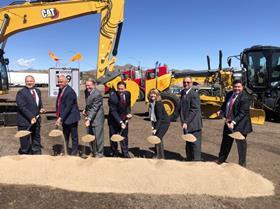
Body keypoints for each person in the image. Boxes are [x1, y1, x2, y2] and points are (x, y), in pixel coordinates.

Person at [216, 79, 253, 167]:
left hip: (240, 125)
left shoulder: (245, 97)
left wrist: (233, 122)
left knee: (241, 146)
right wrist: (221, 110)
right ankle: (221, 160)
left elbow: (242, 113)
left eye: (238, 87)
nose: (236, 89)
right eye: (235, 87)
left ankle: (242, 165)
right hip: (228, 123)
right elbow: (225, 104)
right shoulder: (229, 94)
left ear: (242, 87)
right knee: (225, 142)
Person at [16, 75, 45, 154]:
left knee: (36, 137)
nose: (29, 83)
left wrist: (41, 108)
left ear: (34, 81)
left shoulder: (38, 91)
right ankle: (26, 155)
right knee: (25, 140)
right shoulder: (21, 92)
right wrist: (31, 117)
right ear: (25, 82)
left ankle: (36, 153)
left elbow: (39, 103)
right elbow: (22, 107)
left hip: (36, 120)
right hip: (25, 121)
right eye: (27, 81)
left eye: (31, 81)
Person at [55, 75, 80, 155]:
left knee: (74, 136)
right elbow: (60, 103)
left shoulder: (70, 92)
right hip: (65, 117)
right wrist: (59, 115)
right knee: (65, 135)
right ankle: (64, 151)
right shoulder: (61, 90)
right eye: (59, 81)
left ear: (67, 82)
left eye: (61, 81)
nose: (59, 83)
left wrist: (60, 118)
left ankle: (74, 152)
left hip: (72, 117)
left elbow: (68, 107)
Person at [179, 76, 203, 161]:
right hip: (186, 124)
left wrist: (186, 121)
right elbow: (181, 108)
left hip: (193, 124)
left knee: (195, 144)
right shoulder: (182, 93)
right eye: (184, 82)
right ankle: (189, 160)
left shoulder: (194, 94)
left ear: (191, 84)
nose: (186, 84)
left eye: (188, 82)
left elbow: (194, 109)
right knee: (188, 142)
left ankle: (196, 161)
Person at [108, 81, 132, 158]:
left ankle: (125, 153)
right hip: (114, 120)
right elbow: (113, 111)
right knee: (114, 136)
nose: (121, 91)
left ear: (125, 88)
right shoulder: (112, 97)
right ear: (117, 88)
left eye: (122, 89)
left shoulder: (128, 94)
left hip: (124, 118)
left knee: (124, 136)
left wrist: (128, 113)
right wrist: (120, 122)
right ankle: (114, 152)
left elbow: (128, 105)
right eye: (119, 89)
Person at [83, 79, 105, 157]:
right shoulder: (86, 92)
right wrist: (85, 109)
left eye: (89, 85)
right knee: (90, 135)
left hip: (97, 118)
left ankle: (100, 153)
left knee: (97, 136)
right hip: (90, 115)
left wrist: (89, 119)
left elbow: (95, 108)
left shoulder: (97, 94)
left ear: (94, 85)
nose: (87, 87)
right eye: (86, 85)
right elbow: (88, 104)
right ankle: (93, 151)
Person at [148, 88, 170, 159]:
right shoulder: (151, 103)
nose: (153, 98)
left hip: (164, 122)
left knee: (158, 138)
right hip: (157, 122)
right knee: (156, 138)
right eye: (151, 96)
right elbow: (152, 116)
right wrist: (152, 126)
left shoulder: (158, 104)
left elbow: (159, 118)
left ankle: (160, 157)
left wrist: (156, 128)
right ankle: (158, 154)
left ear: (157, 96)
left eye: (154, 96)